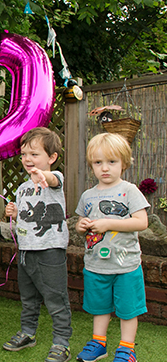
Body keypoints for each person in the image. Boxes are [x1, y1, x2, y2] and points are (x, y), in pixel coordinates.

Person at [74, 133, 149, 362]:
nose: (104, 168)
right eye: (98, 163)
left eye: (111, 162)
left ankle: (127, 348)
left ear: (124, 163)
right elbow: (79, 225)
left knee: (128, 309)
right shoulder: (88, 195)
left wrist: (109, 224)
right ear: (91, 166)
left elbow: (141, 222)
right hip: (96, 265)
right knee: (99, 307)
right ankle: (99, 343)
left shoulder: (129, 190)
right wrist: (82, 226)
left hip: (125, 265)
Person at [1, 127, 72, 362]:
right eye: (24, 155)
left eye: (34, 154)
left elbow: (51, 180)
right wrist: (13, 211)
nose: (27, 159)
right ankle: (28, 333)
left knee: (56, 298)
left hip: (49, 252)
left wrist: (45, 176)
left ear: (51, 158)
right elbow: (26, 216)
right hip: (25, 251)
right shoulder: (22, 188)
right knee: (28, 297)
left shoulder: (56, 178)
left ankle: (61, 342)